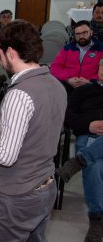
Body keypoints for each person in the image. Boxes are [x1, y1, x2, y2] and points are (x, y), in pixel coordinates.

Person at [0, 20, 67, 242]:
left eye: (0, 55)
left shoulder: (18, 94)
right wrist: (4, 120)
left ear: (10, 52)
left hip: (18, 195)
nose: (1, 61)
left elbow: (6, 155)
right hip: (45, 186)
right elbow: (40, 127)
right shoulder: (55, 84)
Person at [56, 59, 103, 242]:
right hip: (88, 136)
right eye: (102, 65)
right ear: (98, 68)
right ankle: (97, 219)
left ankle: (79, 161)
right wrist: (88, 125)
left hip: (93, 144)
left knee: (89, 161)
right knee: (95, 167)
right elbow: (68, 118)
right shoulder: (83, 91)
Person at [51, 20, 103, 96]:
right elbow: (54, 67)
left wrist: (90, 81)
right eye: (78, 34)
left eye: (84, 33)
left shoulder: (100, 49)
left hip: (91, 86)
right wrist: (68, 79)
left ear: (91, 32)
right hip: (69, 84)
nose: (81, 36)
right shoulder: (67, 49)